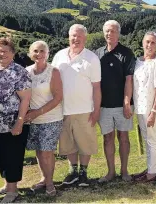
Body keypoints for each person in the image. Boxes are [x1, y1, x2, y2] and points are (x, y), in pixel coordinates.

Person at [52, 24, 101, 187]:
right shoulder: (59, 56)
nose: (76, 39)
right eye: (73, 35)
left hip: (85, 110)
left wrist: (96, 110)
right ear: (68, 36)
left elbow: (96, 87)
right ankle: (72, 171)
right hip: (63, 110)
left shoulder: (92, 58)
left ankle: (83, 173)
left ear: (85, 38)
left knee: (85, 144)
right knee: (68, 143)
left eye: (80, 36)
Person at [0, 37, 32, 203]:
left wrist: (19, 123)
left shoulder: (20, 72)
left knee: (13, 156)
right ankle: (7, 185)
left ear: (13, 53)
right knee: (1, 156)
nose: (2, 54)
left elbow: (25, 100)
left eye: (6, 51)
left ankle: (13, 192)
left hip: (14, 123)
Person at [95, 20, 136, 183]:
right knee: (107, 138)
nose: (109, 34)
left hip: (122, 105)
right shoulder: (97, 53)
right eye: (106, 31)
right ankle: (110, 172)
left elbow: (129, 80)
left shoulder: (126, 53)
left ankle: (124, 171)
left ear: (118, 33)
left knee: (123, 137)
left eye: (112, 31)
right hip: (104, 105)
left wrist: (127, 102)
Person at [25, 41, 63, 196]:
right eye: (35, 51)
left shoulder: (53, 72)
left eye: (42, 51)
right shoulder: (26, 71)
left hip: (51, 118)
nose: (39, 54)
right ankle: (44, 178)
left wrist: (37, 112)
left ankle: (49, 184)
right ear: (30, 53)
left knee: (47, 152)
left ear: (48, 54)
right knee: (39, 152)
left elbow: (58, 97)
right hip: (34, 120)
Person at [131, 31, 156, 182]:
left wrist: (153, 111)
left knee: (152, 138)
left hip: (152, 106)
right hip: (140, 106)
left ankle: (153, 173)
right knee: (147, 138)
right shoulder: (138, 62)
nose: (149, 45)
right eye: (147, 41)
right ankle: (152, 168)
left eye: (153, 42)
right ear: (142, 42)